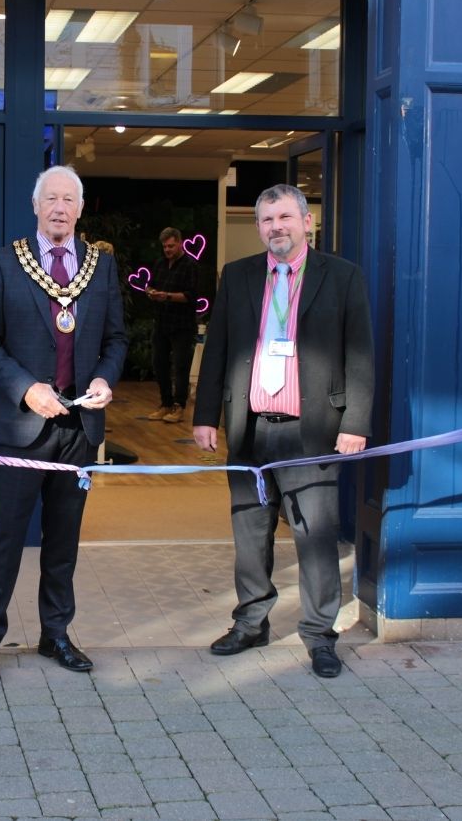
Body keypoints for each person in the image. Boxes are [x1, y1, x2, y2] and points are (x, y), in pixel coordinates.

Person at [192, 184, 374, 678]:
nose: (277, 227)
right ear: (258, 227)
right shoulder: (238, 276)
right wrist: (205, 415)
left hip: (312, 431)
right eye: (268, 220)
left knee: (314, 537)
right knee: (250, 535)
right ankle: (251, 623)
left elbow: (360, 355)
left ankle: (319, 634)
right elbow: (219, 349)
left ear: (306, 222)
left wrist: (355, 423)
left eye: (286, 218)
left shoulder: (342, 277)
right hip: (249, 430)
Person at [0, 165, 128, 684]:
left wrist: (105, 379)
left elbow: (116, 340)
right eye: (51, 198)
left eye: (69, 199)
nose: (60, 207)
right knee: (6, 540)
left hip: (79, 429)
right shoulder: (5, 264)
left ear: (80, 209)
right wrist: (26, 388)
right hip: (22, 428)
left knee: (64, 541)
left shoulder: (100, 267)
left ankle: (55, 634)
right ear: (36, 206)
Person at [146, 227, 198, 423]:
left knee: (180, 367)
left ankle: (179, 406)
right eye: (165, 246)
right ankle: (165, 403)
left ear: (180, 243)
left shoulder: (190, 266)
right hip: (161, 321)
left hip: (182, 325)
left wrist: (166, 296)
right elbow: (150, 284)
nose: (167, 250)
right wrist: (150, 291)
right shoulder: (160, 264)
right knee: (159, 364)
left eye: (171, 246)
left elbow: (190, 296)